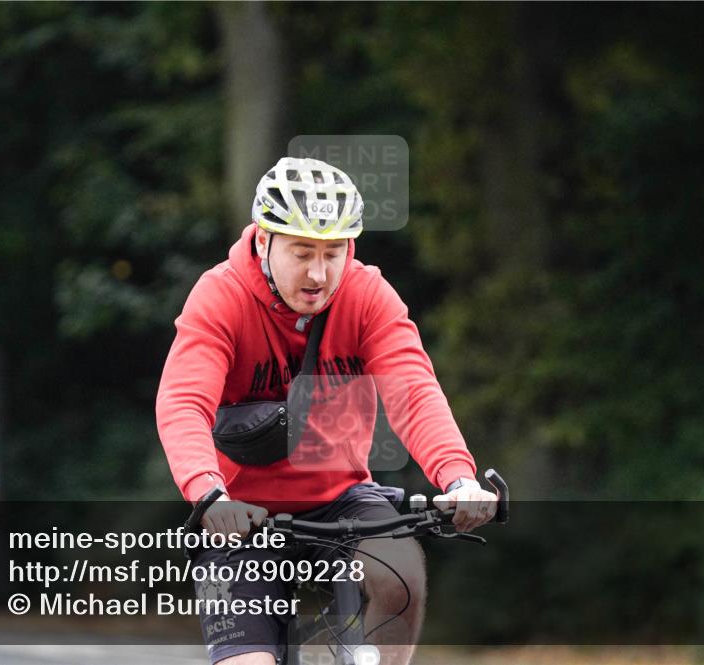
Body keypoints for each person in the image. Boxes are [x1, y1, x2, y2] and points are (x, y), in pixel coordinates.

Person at [156, 156, 498, 665]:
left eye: (333, 253)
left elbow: (412, 389)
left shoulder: (366, 295)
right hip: (240, 515)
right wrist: (207, 493)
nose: (319, 274)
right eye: (302, 253)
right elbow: (183, 402)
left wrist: (458, 478)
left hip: (341, 497)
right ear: (264, 241)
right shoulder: (220, 296)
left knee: (400, 572)